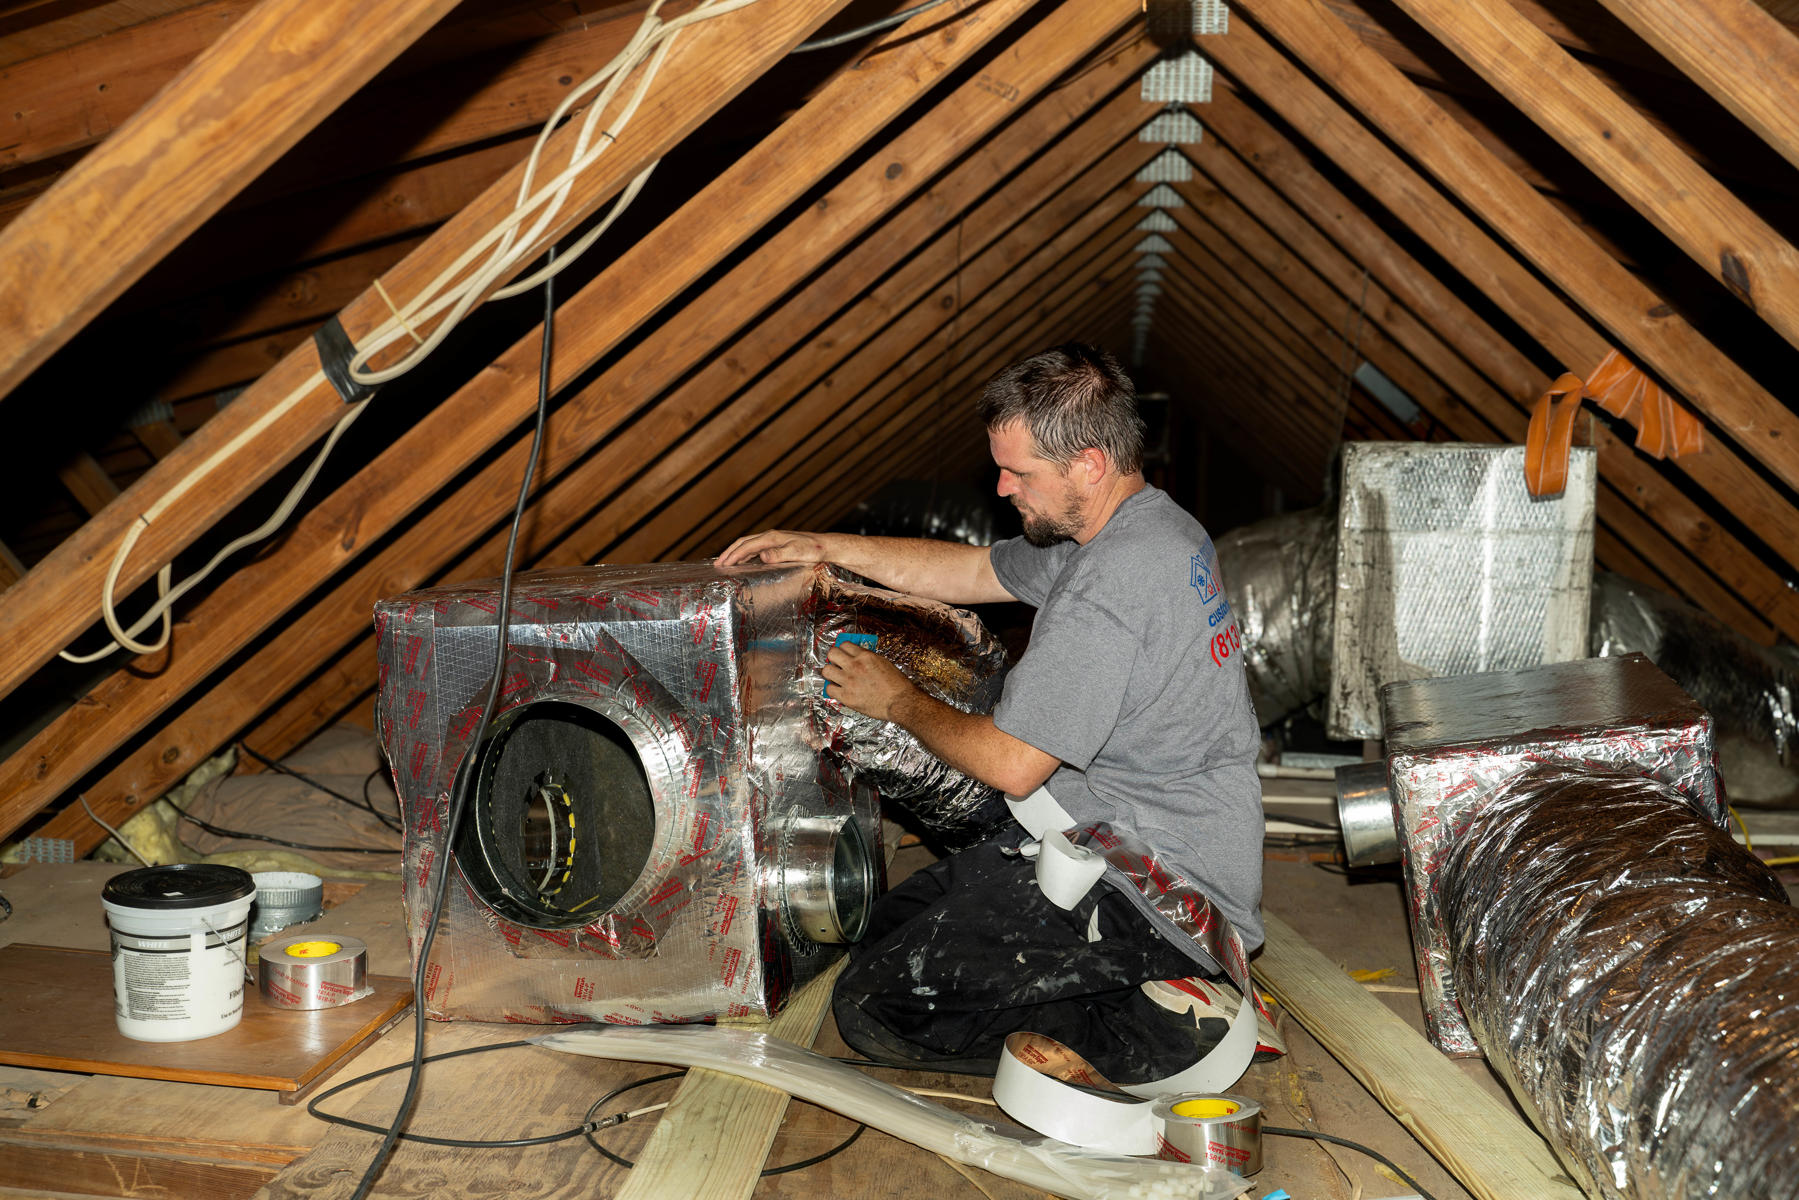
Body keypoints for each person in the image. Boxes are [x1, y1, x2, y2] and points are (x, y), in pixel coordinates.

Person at [715, 343, 1263, 1082]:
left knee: (877, 1007)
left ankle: (1166, 1016)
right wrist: (823, 546)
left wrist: (897, 700)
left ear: (1089, 464)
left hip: (1159, 889)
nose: (1002, 487)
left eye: (1020, 472)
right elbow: (975, 570)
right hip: (1107, 838)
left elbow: (1010, 763)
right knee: (881, 933)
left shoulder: (1112, 584)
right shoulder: (1139, 524)